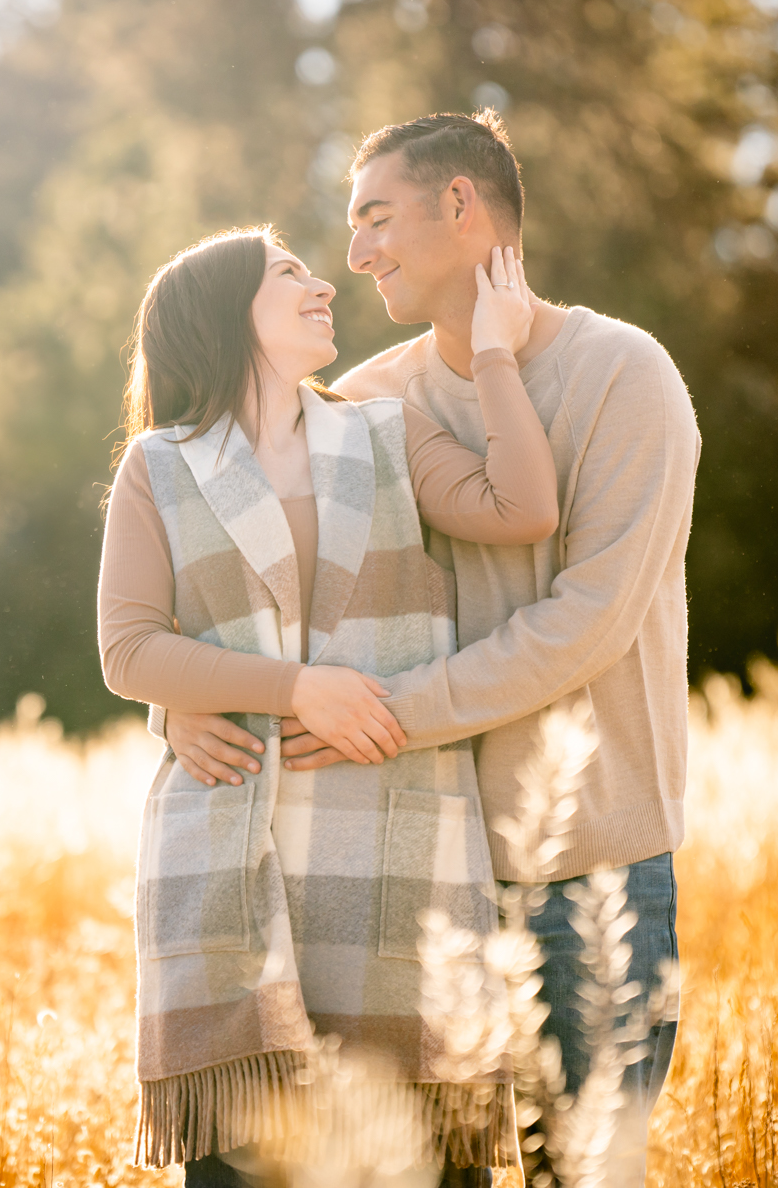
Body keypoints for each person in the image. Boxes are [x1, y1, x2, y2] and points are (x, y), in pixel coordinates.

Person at [156, 112, 701, 1188]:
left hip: (584, 875)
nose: (354, 255)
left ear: (461, 204)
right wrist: (180, 700)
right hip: (411, 875)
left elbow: (583, 624)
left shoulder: (625, 378)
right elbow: (232, 576)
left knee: (582, 1176)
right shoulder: (366, 399)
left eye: (375, 216)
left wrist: (385, 710)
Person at [99, 222, 558, 1186]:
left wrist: (493, 353)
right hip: (227, 854)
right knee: (249, 1160)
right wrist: (293, 688)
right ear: (226, 316)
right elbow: (129, 648)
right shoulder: (161, 465)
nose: (324, 286)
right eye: (289, 274)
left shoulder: (385, 433)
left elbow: (523, 508)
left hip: (395, 847)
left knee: (425, 1153)